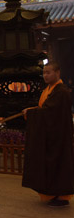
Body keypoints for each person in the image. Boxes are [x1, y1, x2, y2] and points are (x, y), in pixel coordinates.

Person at [22, 62, 74, 207]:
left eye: (48, 72)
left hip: (59, 137)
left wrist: (31, 112)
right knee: (48, 164)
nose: (45, 75)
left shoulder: (61, 92)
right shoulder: (49, 90)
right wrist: (33, 110)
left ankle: (61, 196)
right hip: (50, 135)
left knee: (58, 164)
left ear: (58, 73)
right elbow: (45, 108)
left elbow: (50, 112)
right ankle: (50, 193)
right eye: (44, 73)